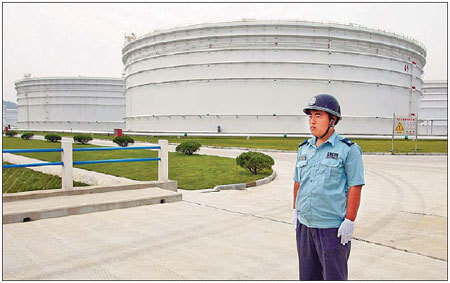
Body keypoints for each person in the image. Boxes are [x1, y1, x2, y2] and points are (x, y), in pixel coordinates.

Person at [293, 94, 365, 280]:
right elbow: (298, 182)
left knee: (334, 277)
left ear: (332, 121)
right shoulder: (304, 148)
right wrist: (295, 211)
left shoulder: (348, 149)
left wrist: (350, 220)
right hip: (305, 226)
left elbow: (355, 186)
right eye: (310, 116)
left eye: (318, 116)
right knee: (308, 277)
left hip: (331, 229)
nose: (312, 121)